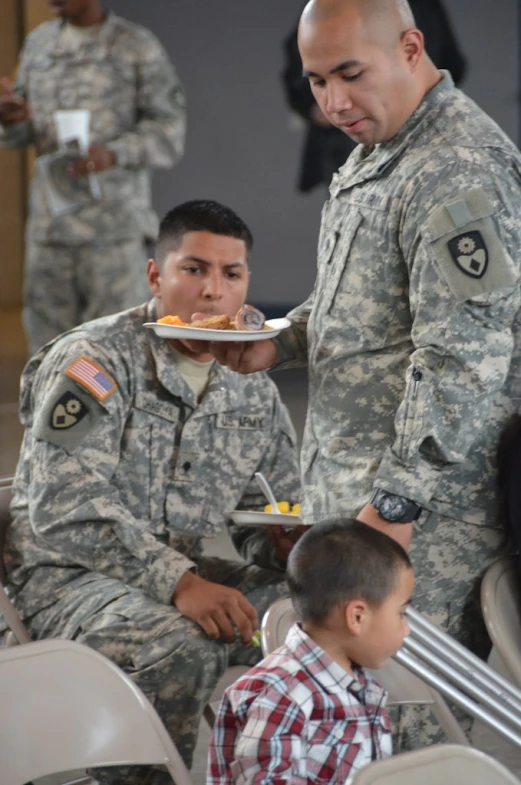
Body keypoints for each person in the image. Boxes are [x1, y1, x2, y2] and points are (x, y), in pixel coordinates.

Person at [201, 0, 521, 746]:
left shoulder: (454, 170)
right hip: (360, 504)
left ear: (411, 48)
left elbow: (463, 360)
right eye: (315, 81)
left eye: (349, 73)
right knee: (347, 731)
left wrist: (394, 505)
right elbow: (363, 302)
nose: (332, 102)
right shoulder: (379, 149)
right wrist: (277, 342)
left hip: (422, 524)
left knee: (401, 735)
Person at [2, 199, 301, 784]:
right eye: (194, 269)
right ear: (156, 275)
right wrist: (181, 583)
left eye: (231, 274)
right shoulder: (94, 361)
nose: (213, 291)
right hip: (64, 581)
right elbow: (63, 506)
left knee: (316, 613)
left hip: (175, 569)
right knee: (180, 643)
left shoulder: (249, 385)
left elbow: (267, 510)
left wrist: (287, 544)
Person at [0, 0, 186, 356]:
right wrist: (11, 119)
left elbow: (169, 131)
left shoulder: (135, 45)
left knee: (118, 353)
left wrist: (114, 154)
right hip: (51, 232)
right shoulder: (40, 44)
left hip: (112, 234)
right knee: (47, 356)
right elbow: (22, 133)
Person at [207, 519, 414, 784]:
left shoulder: (353, 680)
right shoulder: (280, 698)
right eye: (401, 614)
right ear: (357, 617)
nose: (405, 629)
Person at [281, 0, 466, 193]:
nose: (336, 104)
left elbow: (452, 62)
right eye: (319, 82)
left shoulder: (461, 164)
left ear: (412, 51)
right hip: (345, 147)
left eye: (353, 75)